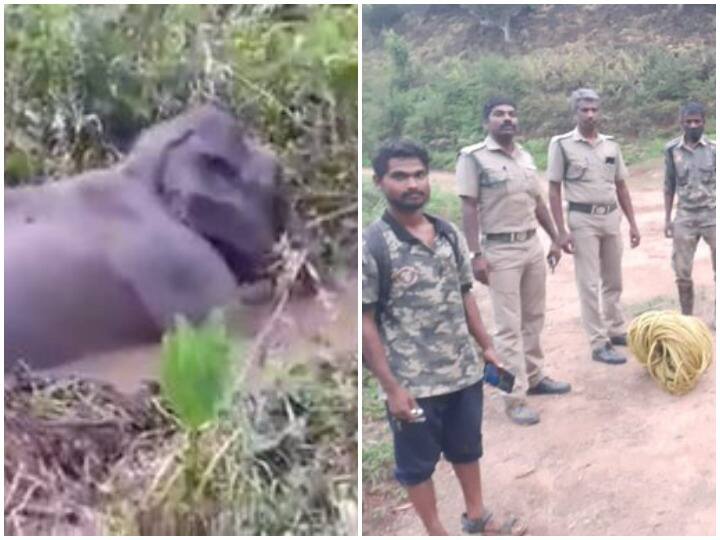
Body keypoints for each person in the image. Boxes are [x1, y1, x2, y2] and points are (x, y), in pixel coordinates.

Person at [362, 140, 526, 535]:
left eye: (419, 174)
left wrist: (486, 347)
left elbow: (464, 293)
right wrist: (391, 387)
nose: (412, 184)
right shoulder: (372, 245)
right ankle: (436, 532)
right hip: (414, 386)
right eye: (400, 176)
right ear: (379, 182)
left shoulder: (448, 233)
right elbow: (364, 321)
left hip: (463, 373)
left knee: (467, 450)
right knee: (417, 466)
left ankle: (477, 517)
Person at [456, 97, 570, 427]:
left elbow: (538, 203)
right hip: (499, 251)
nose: (507, 119)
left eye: (511, 114)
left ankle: (535, 378)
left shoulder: (525, 157)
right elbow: (468, 207)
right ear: (486, 122)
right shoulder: (474, 158)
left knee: (533, 317)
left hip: (531, 246)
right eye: (498, 114)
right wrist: (475, 254)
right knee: (508, 328)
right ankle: (513, 398)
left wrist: (555, 237)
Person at [547, 88, 641, 365]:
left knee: (613, 279)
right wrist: (560, 231)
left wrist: (633, 223)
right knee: (588, 282)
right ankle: (598, 342)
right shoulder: (562, 144)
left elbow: (621, 185)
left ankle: (614, 328)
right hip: (582, 219)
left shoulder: (611, 145)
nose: (590, 115)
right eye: (584, 110)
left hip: (610, 217)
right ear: (575, 113)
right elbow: (553, 190)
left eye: (594, 110)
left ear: (599, 112)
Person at [663, 101, 716, 316]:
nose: (693, 126)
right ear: (681, 123)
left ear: (704, 123)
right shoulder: (671, 150)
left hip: (712, 215)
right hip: (685, 216)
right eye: (688, 122)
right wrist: (667, 219)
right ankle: (687, 319)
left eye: (697, 121)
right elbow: (669, 185)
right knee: (682, 272)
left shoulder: (714, 150)